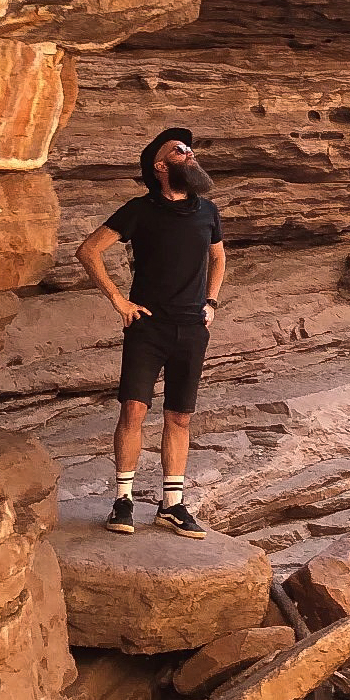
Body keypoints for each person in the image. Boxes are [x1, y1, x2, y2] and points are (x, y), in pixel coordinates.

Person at [76, 126, 225, 537]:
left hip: (192, 328)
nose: (189, 152)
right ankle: (123, 500)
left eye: (190, 148)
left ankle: (171, 505)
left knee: (180, 416)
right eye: (179, 150)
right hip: (148, 326)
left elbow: (218, 259)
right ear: (161, 166)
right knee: (134, 409)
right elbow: (88, 250)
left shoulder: (207, 211)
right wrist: (119, 301)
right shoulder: (138, 210)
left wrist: (210, 303)